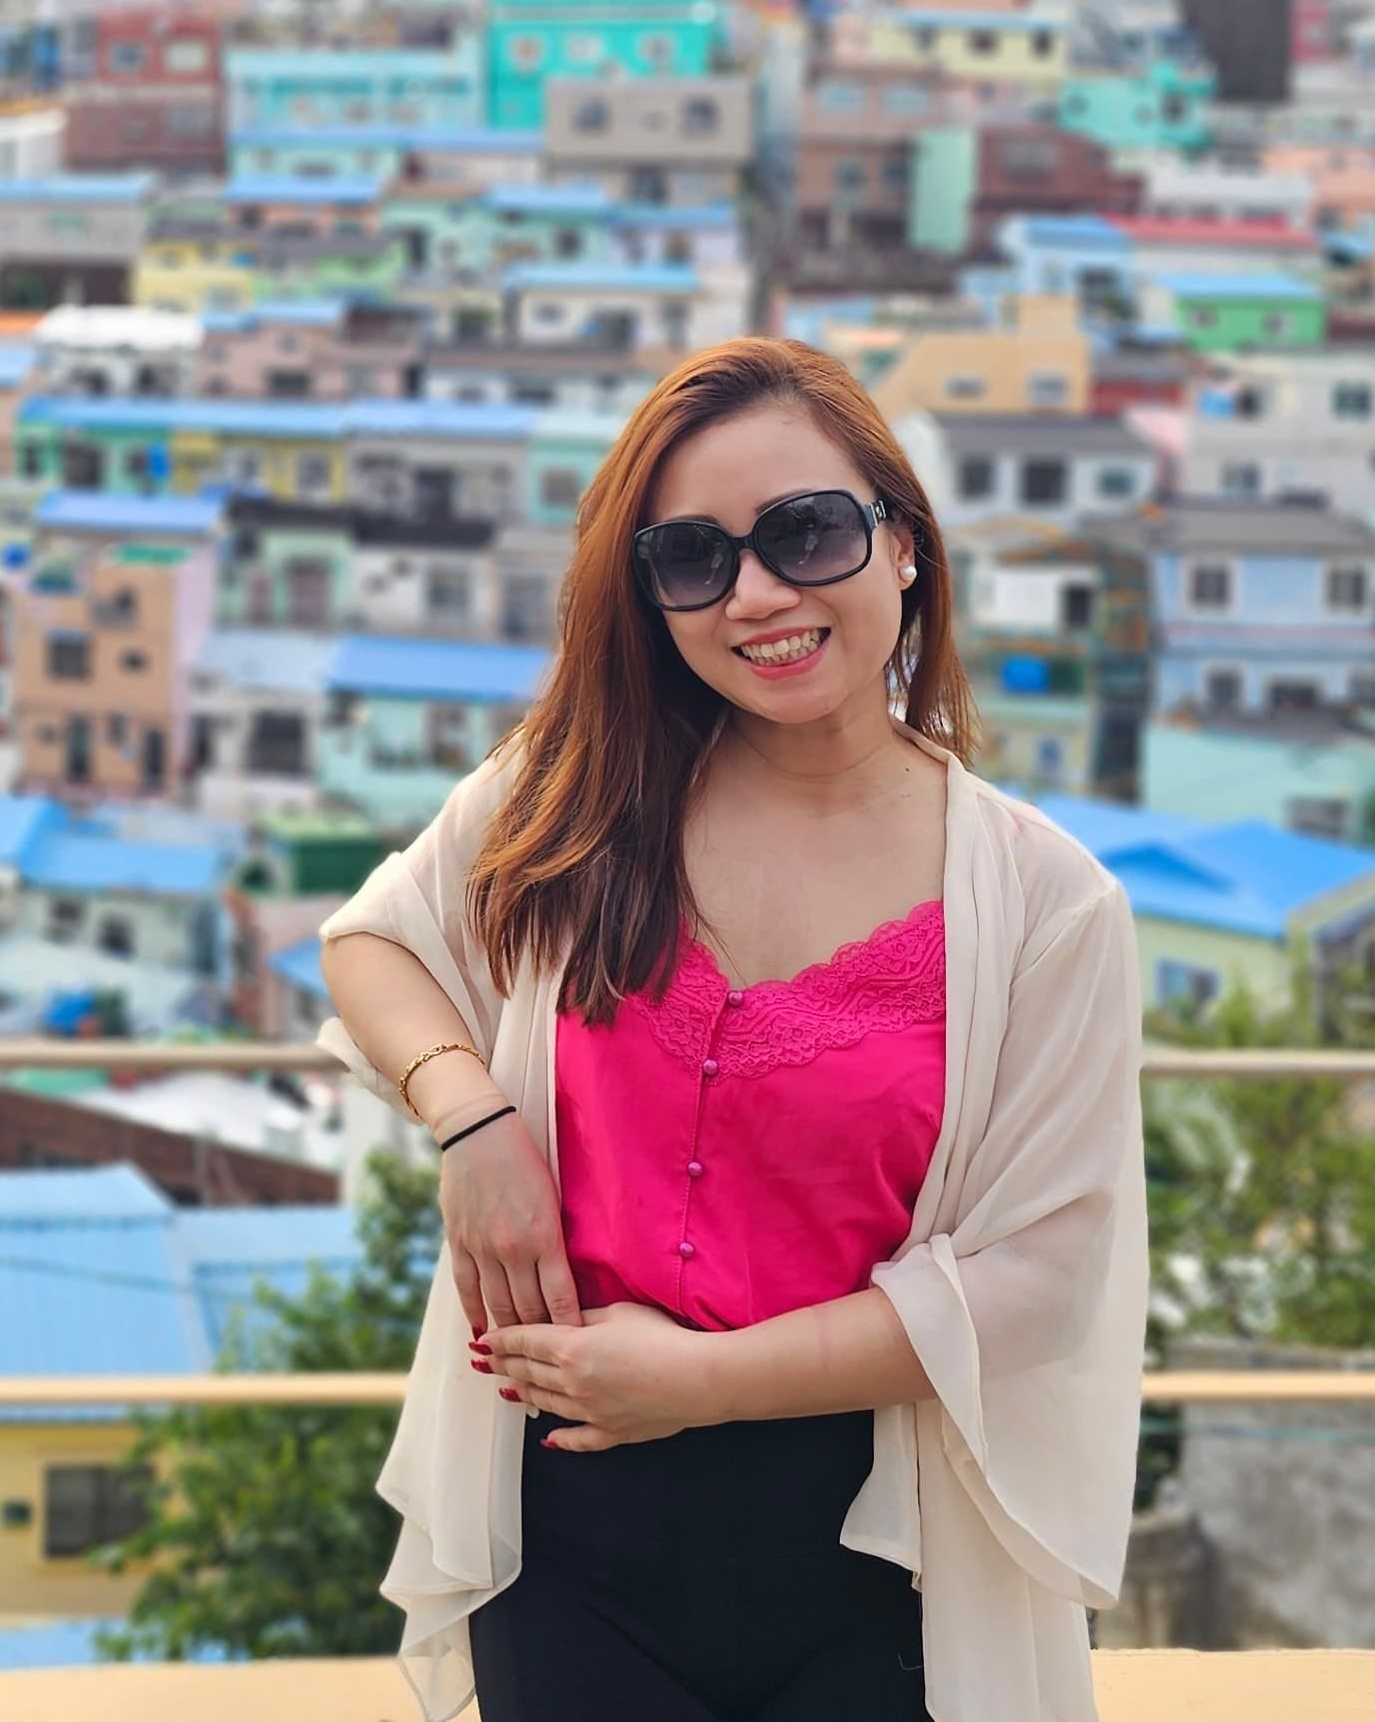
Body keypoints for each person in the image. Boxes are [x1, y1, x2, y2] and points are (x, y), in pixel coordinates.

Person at [318, 337, 1144, 1722]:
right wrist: (471, 1118)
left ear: (905, 548)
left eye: (806, 533)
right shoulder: (587, 794)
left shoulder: (1044, 904)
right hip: (564, 1522)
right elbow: (377, 941)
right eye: (693, 559)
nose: (757, 594)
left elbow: (1037, 1284)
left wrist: (700, 1382)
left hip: (878, 1545)